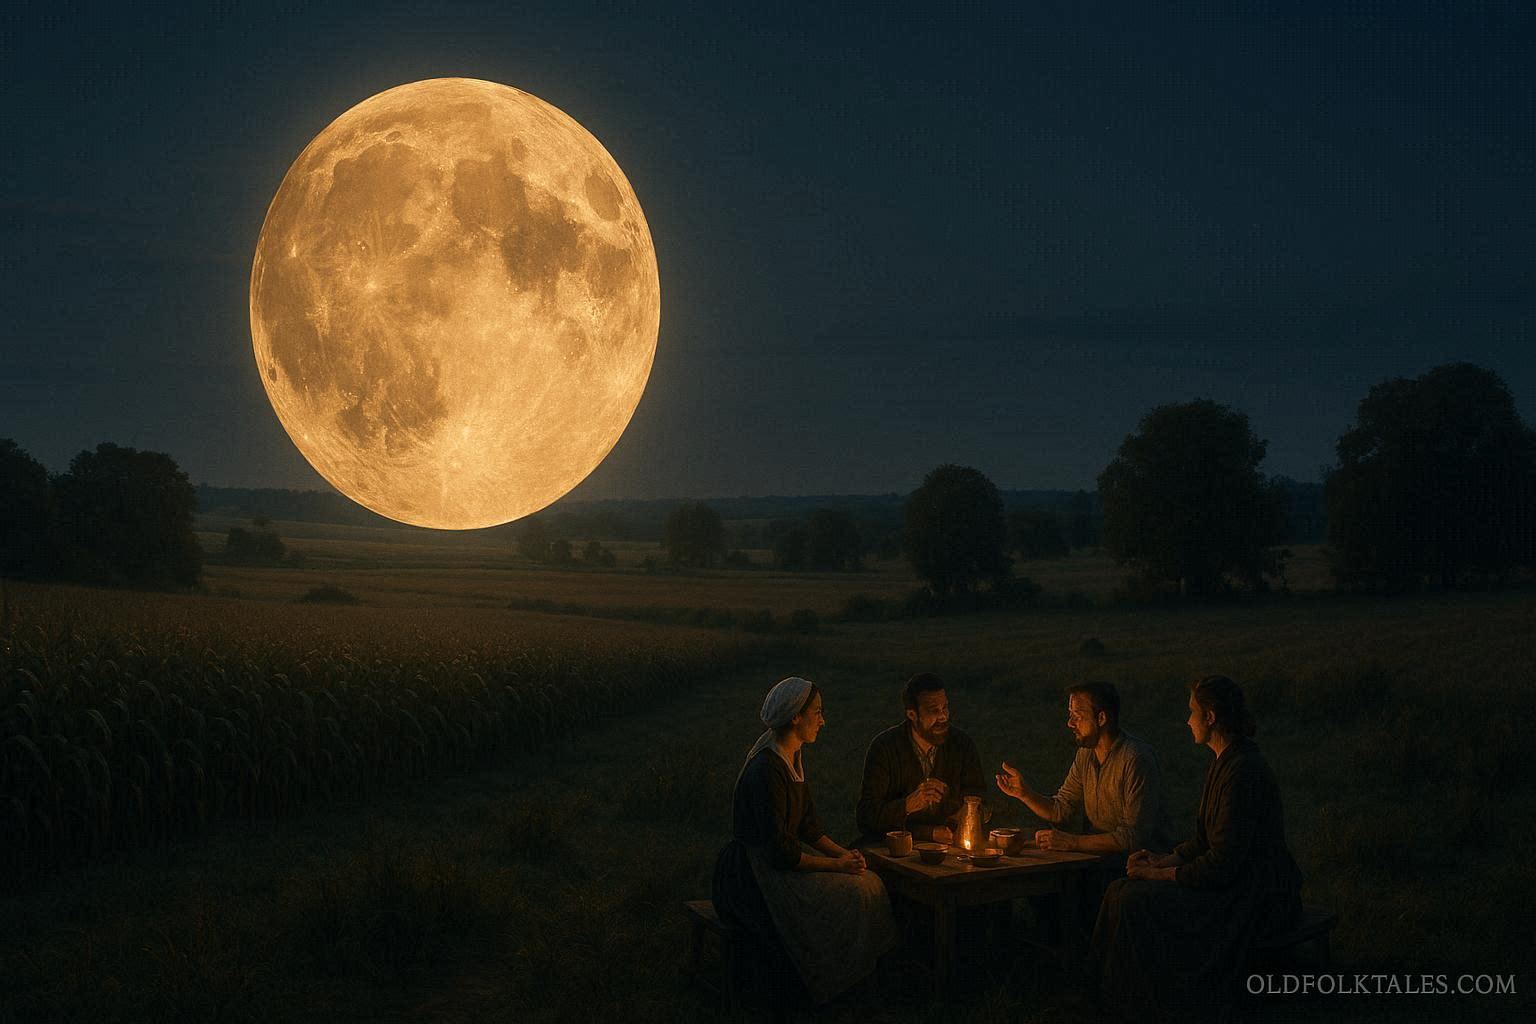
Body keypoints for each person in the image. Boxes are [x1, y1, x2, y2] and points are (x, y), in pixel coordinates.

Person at [1087, 675, 1303, 1023]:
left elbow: (1223, 864)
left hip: (1249, 894)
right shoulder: (1223, 762)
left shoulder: (1243, 771)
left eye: (1192, 712)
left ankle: (1138, 999)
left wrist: (1159, 875)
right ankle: (1103, 989)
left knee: (1133, 900)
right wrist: (1164, 859)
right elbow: (1204, 840)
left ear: (1211, 717)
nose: (1187, 721)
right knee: (1118, 889)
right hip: (1227, 880)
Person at [712, 676, 896, 1007]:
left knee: (869, 881)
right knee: (854, 892)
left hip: (778, 862)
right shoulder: (767, 769)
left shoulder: (792, 757)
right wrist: (838, 866)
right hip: (751, 876)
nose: (823, 721)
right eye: (818, 712)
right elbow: (780, 851)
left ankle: (868, 973)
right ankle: (836, 979)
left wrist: (847, 855)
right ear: (796, 717)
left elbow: (809, 827)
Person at [994, 681, 1171, 862]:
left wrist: (1073, 842)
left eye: (1077, 716)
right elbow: (1061, 809)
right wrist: (1025, 794)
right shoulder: (1086, 755)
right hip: (1101, 859)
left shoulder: (1135, 758)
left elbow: (1133, 837)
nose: (1070, 723)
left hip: (1141, 862)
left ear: (1101, 718)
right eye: (1070, 715)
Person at [855, 673, 986, 845]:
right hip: (894, 848)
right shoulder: (885, 748)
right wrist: (907, 806)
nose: (943, 717)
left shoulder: (961, 745)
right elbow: (866, 817)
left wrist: (949, 799)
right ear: (912, 714)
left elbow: (979, 804)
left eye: (945, 708)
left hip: (949, 847)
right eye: (934, 710)